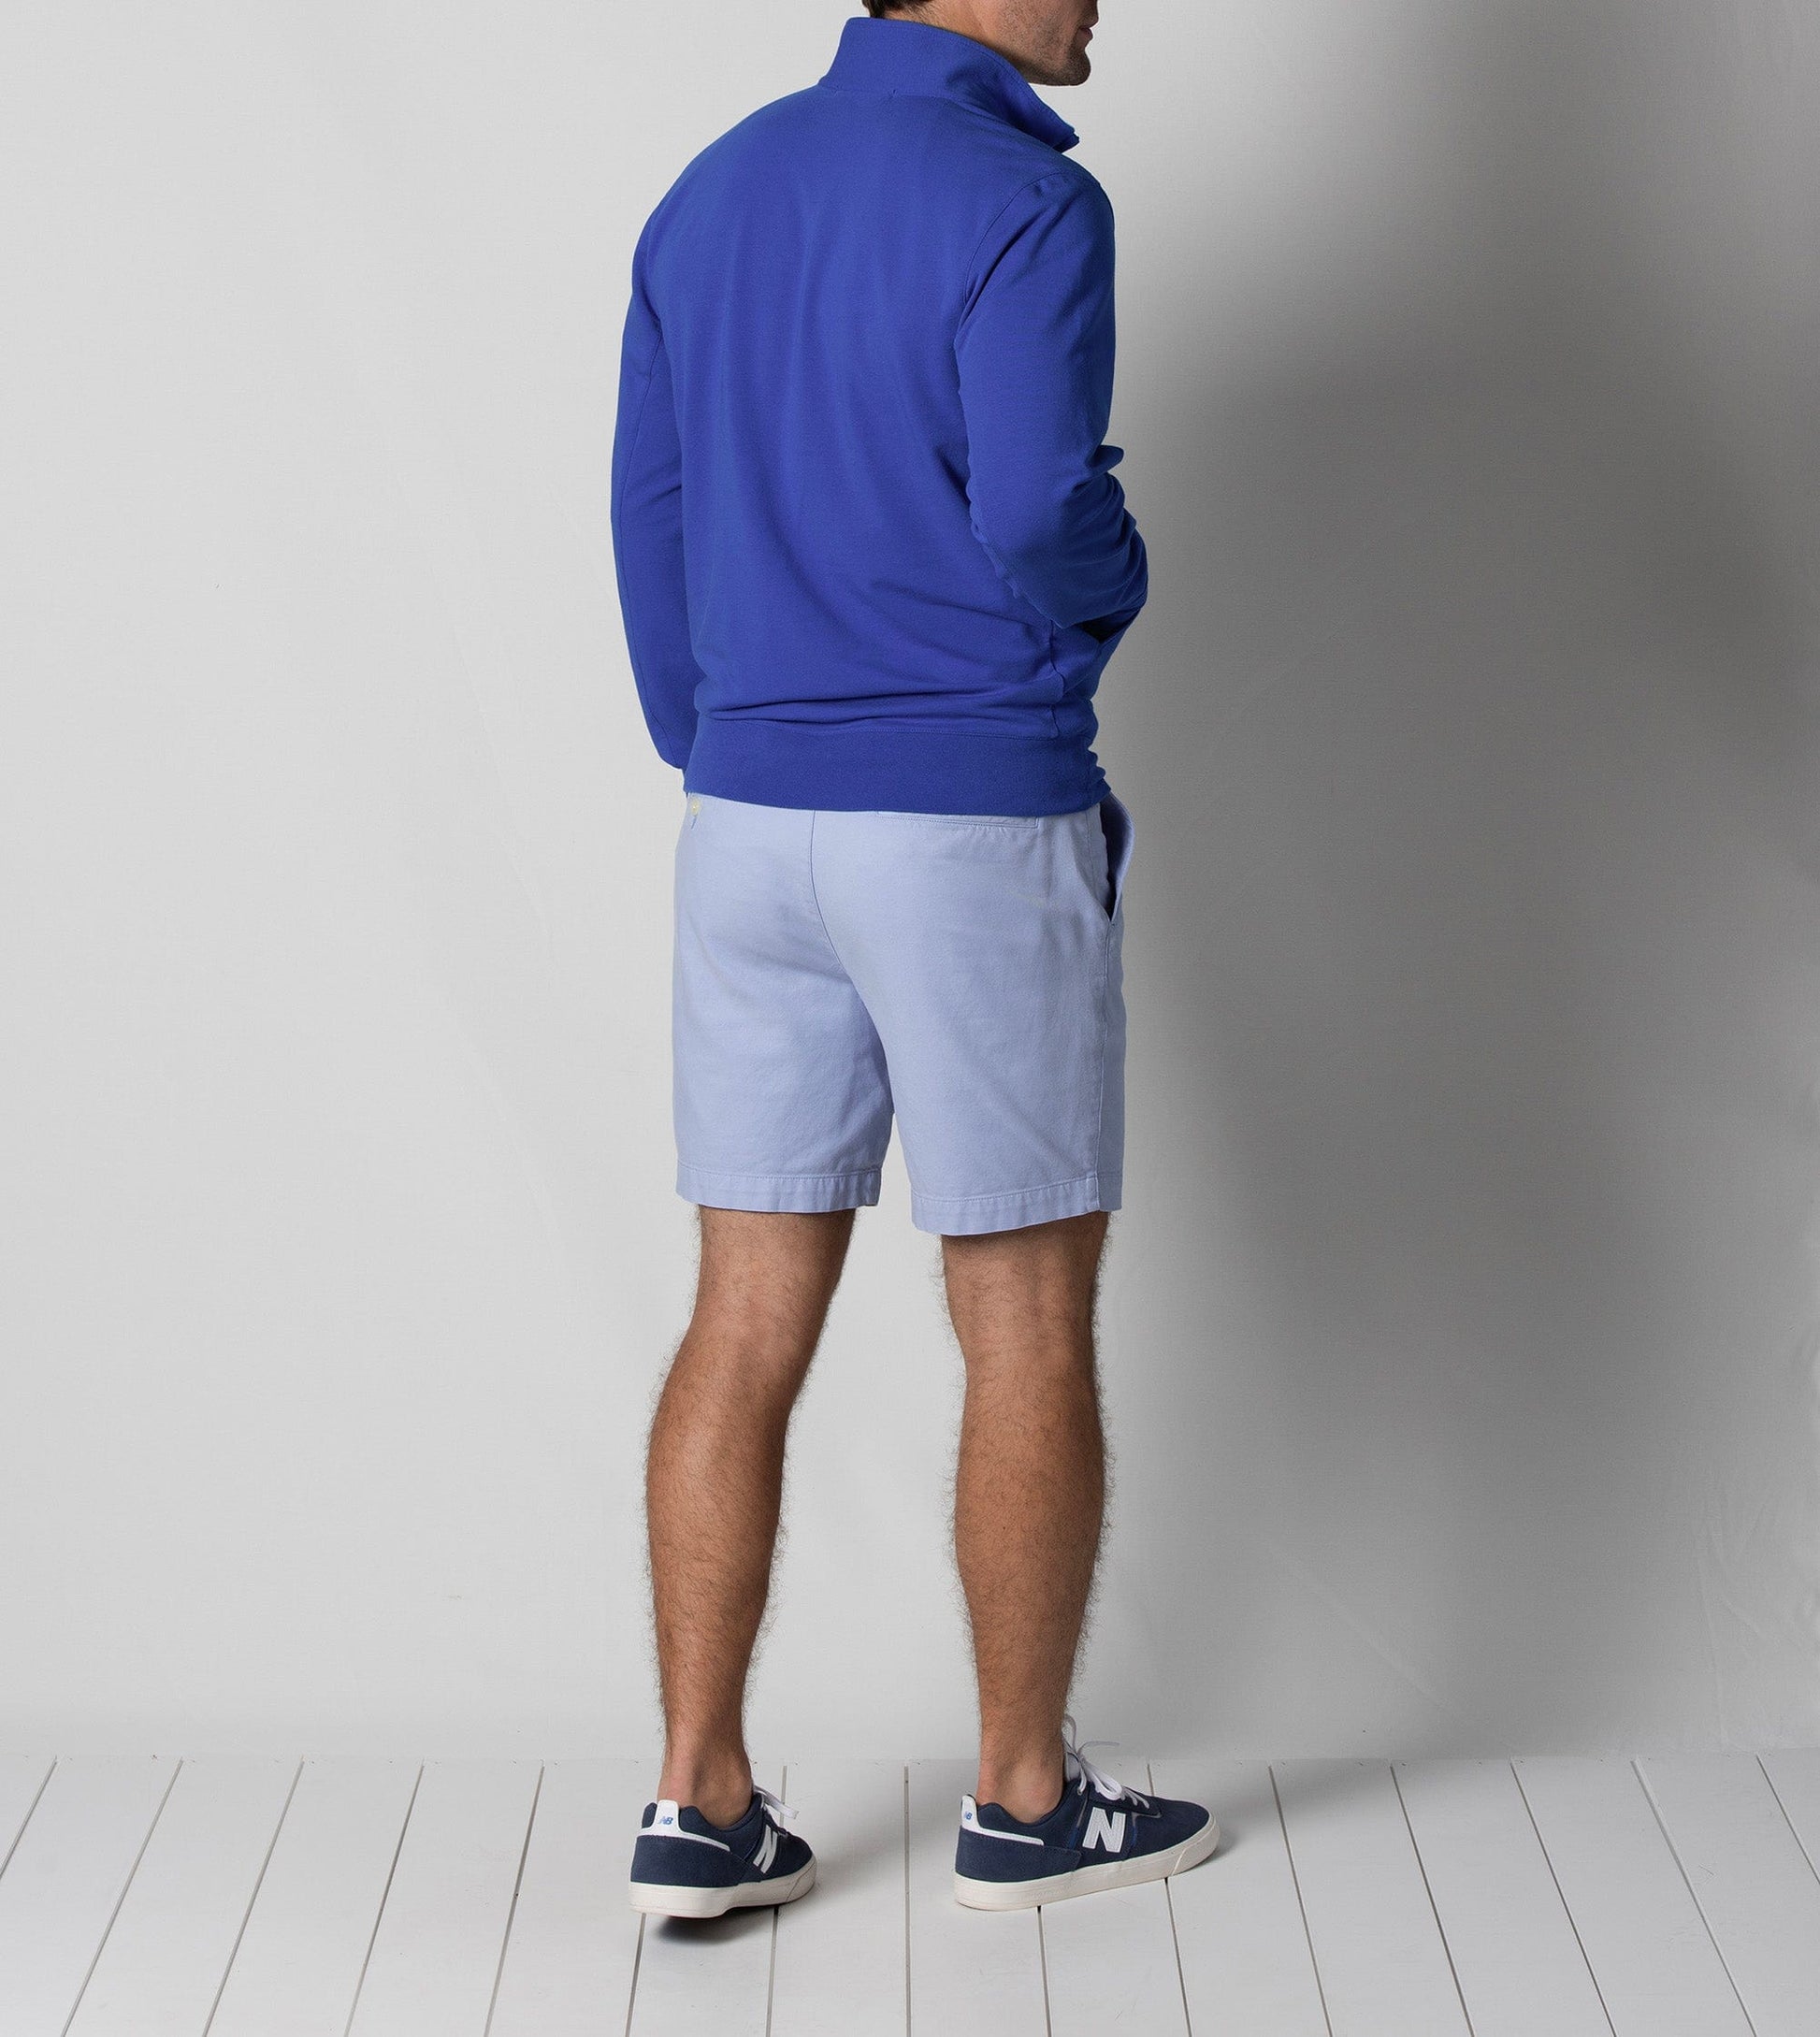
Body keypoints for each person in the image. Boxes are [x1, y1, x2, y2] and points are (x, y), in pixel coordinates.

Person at [611, 0, 1217, 1918]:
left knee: (740, 1310)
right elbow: (1041, 506)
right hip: (960, 815)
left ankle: (697, 1800)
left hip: (748, 821)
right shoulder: (1020, 199)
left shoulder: (713, 191)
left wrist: (720, 735)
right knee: (1019, 1308)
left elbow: (651, 513)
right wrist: (1115, 588)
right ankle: (1023, 1803)